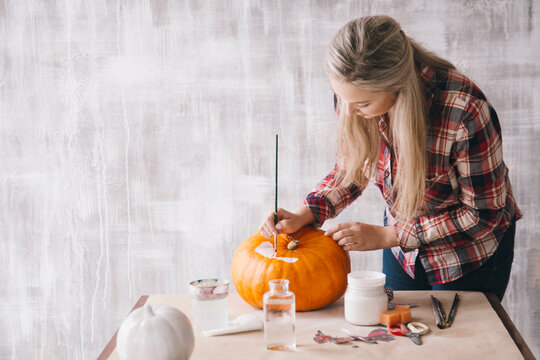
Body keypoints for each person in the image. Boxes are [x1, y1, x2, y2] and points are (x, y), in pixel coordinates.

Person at [259, 15, 521, 301]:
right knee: (397, 337)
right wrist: (304, 214)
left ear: (396, 87)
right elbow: (353, 167)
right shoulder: (353, 97)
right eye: (341, 98)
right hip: (402, 251)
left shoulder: (465, 112)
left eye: (362, 104)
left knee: (456, 344)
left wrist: (388, 236)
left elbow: (484, 215)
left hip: (468, 254)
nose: (347, 112)